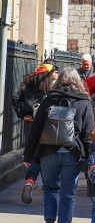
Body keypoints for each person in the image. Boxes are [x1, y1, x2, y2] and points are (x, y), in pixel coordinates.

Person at [23, 67, 95, 223]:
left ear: (60, 79)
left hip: (48, 151)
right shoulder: (84, 100)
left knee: (50, 188)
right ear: (77, 81)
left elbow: (36, 130)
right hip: (72, 152)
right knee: (68, 193)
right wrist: (89, 156)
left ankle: (49, 221)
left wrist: (28, 155)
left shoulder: (49, 99)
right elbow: (88, 132)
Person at [15, 60, 59, 205]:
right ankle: (47, 185)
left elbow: (15, 97)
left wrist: (21, 114)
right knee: (46, 153)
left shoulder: (29, 79)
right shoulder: (50, 84)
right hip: (46, 124)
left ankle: (30, 181)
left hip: (31, 122)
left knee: (34, 153)